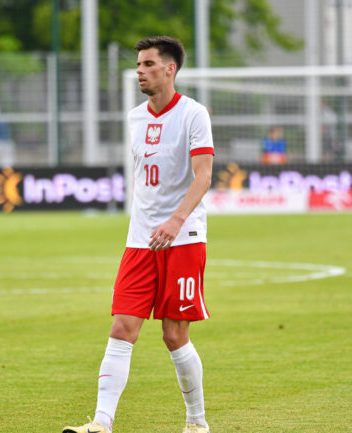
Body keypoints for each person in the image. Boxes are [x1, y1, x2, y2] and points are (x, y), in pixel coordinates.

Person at [63, 36, 214, 433]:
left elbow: (204, 176)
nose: (139, 71)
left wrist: (177, 219)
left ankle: (197, 423)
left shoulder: (194, 114)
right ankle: (101, 423)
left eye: (148, 64)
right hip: (140, 241)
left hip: (183, 238)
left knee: (173, 334)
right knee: (121, 328)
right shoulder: (134, 118)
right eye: (138, 65)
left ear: (170, 69)